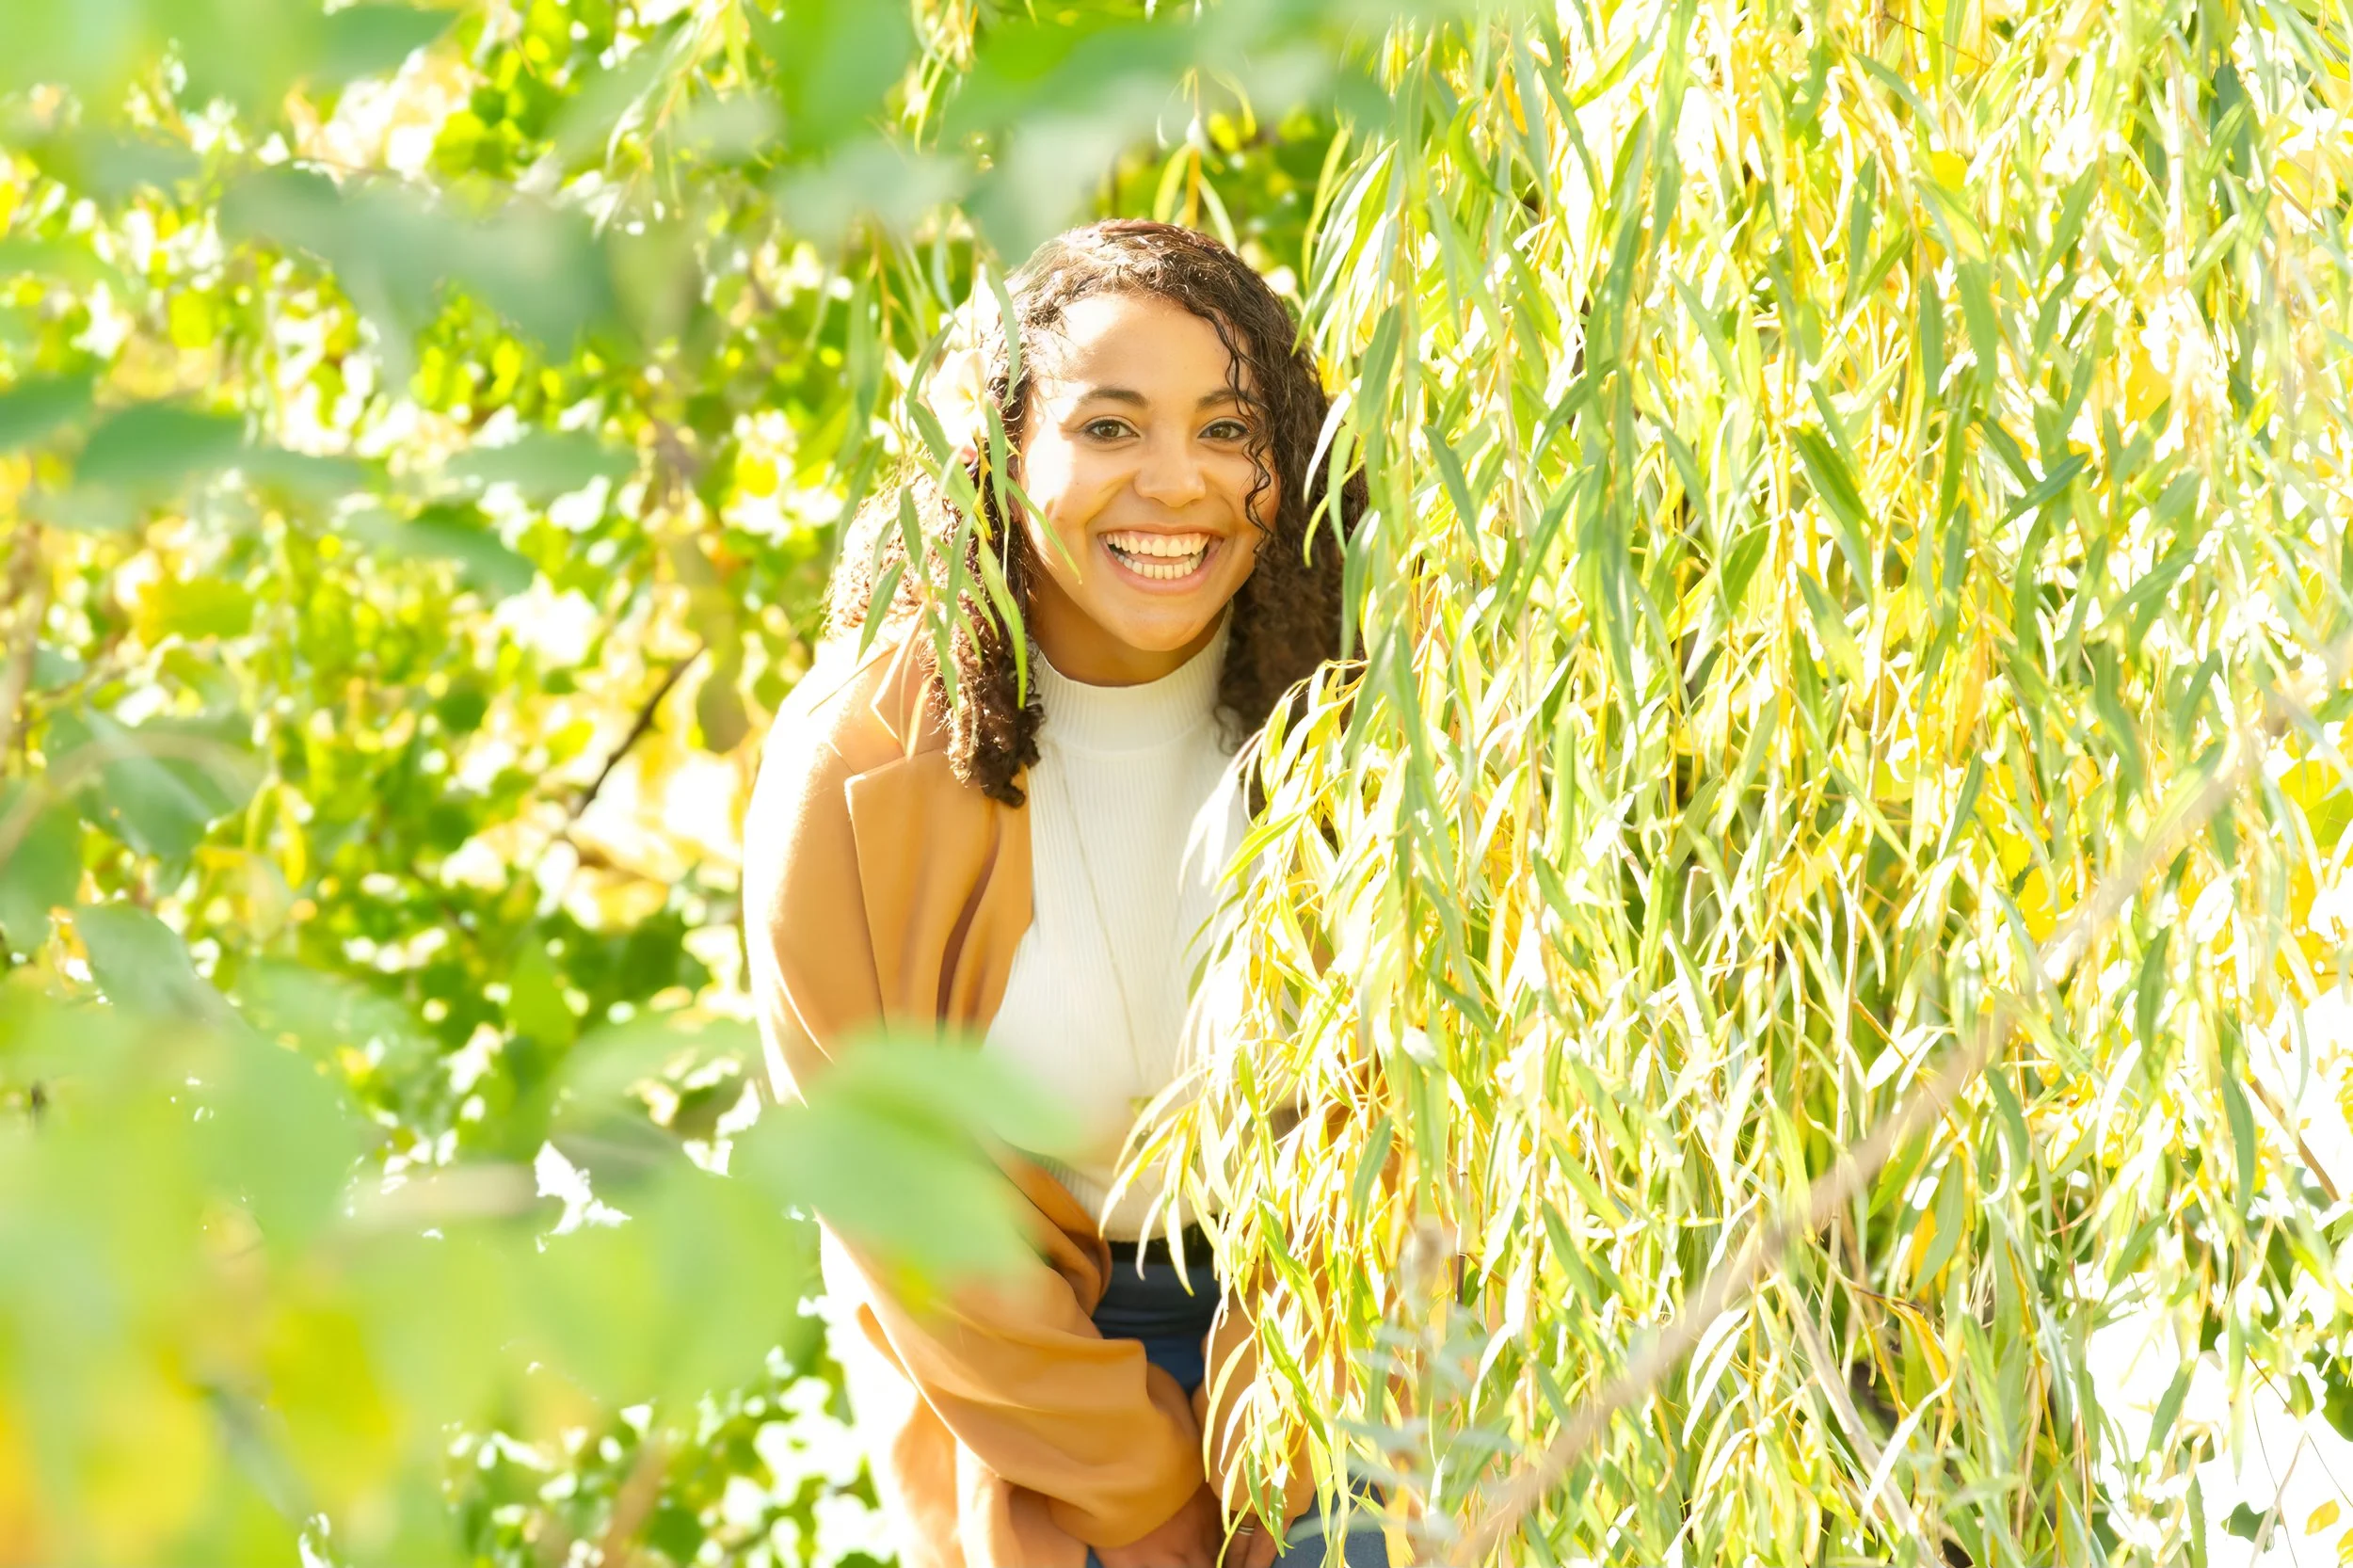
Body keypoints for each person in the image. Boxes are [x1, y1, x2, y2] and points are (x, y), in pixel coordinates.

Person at [744, 219, 1381, 1568]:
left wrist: (1295, 1468)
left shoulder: (1363, 718)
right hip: (1023, 1348)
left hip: (1345, 1321)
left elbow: (1409, 1133)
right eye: (1108, 429)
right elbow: (909, 1218)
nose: (1178, 483)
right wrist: (1149, 1499)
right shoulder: (852, 770)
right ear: (1004, 451)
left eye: (1228, 428)